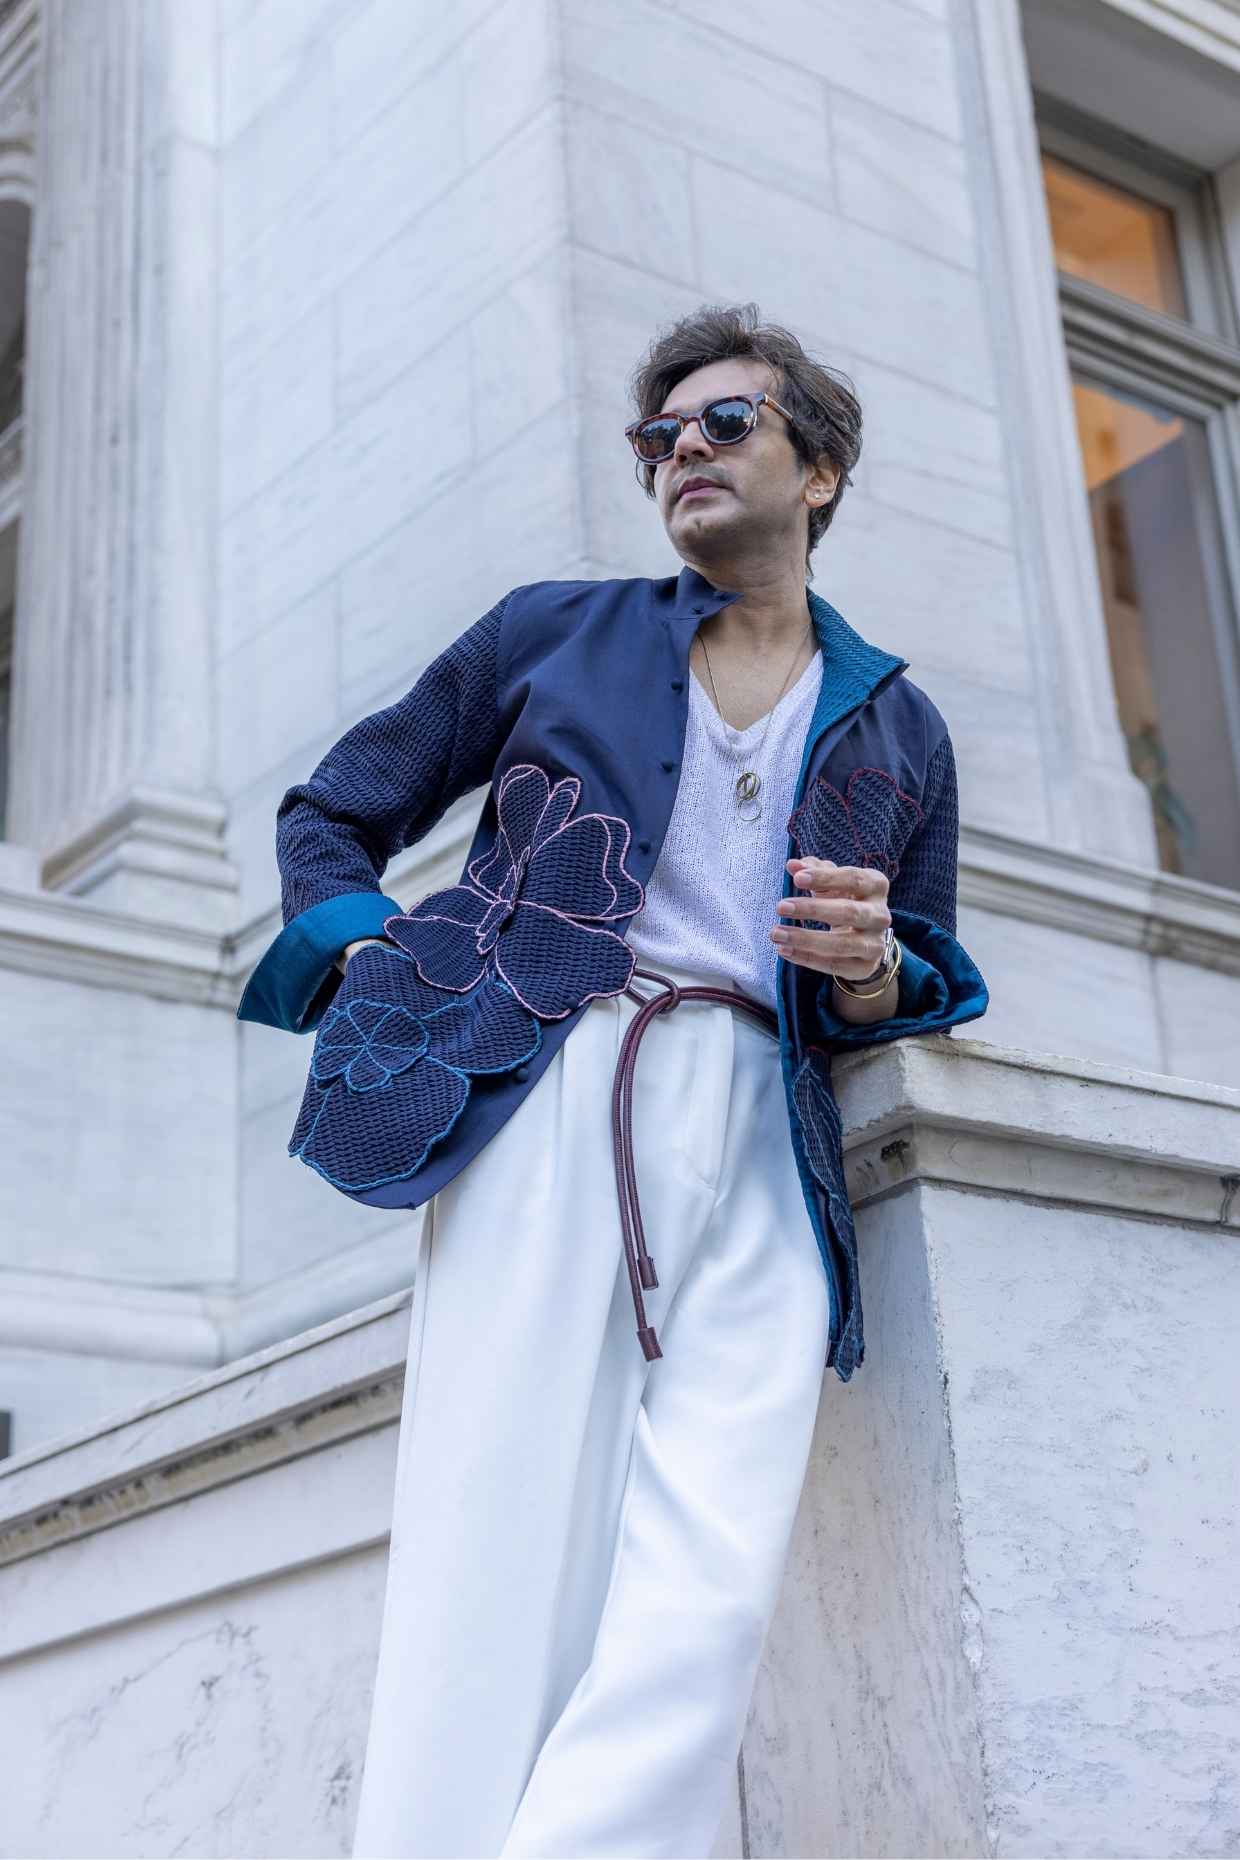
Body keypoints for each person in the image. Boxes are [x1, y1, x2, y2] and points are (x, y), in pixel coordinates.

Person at [236, 301, 988, 1857]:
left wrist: (870, 970)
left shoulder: (900, 722)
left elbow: (924, 963)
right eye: (659, 436)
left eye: (726, 422)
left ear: (819, 471)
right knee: (494, 1533)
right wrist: (382, 960)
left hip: (771, 1131)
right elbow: (334, 811)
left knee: (712, 1575)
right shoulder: (551, 635)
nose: (681, 451)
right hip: (557, 1093)